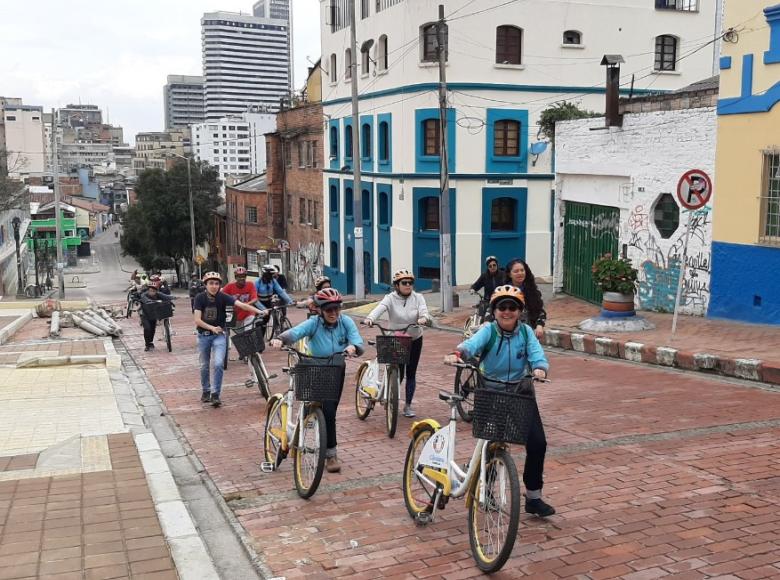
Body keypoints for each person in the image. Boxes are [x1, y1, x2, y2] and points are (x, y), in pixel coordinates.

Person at [444, 285, 554, 518]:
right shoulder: (489, 331)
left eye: (512, 307)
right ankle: (486, 489)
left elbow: (537, 355)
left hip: (520, 393)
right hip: (490, 393)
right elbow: (469, 346)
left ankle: (534, 497)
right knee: (491, 442)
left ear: (520, 311)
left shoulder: (525, 333)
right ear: (494, 311)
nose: (507, 311)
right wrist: (457, 355)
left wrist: (540, 369)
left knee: (538, 443)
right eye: (502, 307)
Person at [270, 288, 364, 473]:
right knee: (307, 409)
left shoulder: (345, 322)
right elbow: (296, 332)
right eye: (329, 309)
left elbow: (357, 342)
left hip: (335, 369)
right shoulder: (313, 323)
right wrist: (280, 339)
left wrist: (353, 347)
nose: (334, 313)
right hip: (313, 368)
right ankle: (292, 442)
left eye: (337, 309)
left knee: (329, 413)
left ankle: (331, 454)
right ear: (320, 310)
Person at [363, 269, 432, 418]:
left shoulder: (418, 297)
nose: (408, 285)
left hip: (414, 339)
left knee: (411, 373)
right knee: (397, 372)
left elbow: (424, 311)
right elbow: (379, 309)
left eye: (411, 282)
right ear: (396, 285)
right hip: (396, 339)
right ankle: (391, 396)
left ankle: (407, 405)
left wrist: (424, 318)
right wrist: (370, 318)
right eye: (404, 283)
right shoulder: (390, 298)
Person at [194, 272, 265, 408]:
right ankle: (206, 390)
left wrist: (259, 311)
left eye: (216, 283)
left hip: (220, 335)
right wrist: (212, 327)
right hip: (204, 336)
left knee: (219, 363)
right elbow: (197, 320)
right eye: (211, 283)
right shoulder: (199, 298)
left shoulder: (223, 297)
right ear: (206, 285)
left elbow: (242, 305)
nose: (214, 286)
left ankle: (215, 394)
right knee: (204, 365)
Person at [222, 267, 260, 360]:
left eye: (243, 276)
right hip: (235, 316)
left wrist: (246, 305)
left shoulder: (250, 285)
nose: (241, 278)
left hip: (248, 313)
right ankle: (243, 352)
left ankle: (249, 354)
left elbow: (255, 298)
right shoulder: (230, 286)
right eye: (239, 276)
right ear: (235, 277)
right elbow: (221, 296)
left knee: (248, 332)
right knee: (239, 335)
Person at [505, 258, 547, 339]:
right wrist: (486, 322)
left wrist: (539, 325)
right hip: (507, 333)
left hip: (529, 332)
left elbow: (541, 310)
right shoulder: (504, 291)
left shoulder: (533, 290)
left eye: (522, 270)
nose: (520, 273)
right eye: (516, 271)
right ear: (509, 274)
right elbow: (492, 308)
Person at [138, 280, 175, 352]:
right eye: (150, 290)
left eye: (153, 290)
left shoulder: (158, 294)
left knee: (152, 329)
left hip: (153, 314)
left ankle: (150, 342)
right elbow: (145, 299)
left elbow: (166, 297)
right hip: (145, 314)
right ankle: (147, 344)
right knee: (147, 328)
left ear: (156, 291)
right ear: (148, 290)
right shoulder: (144, 295)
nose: (152, 292)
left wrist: (173, 297)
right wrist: (149, 301)